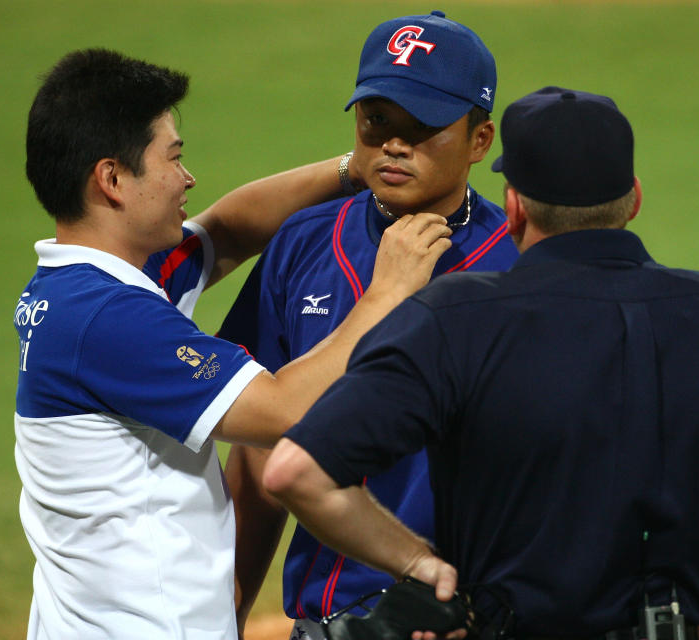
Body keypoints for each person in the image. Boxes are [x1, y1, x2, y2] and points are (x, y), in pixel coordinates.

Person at [262, 86, 699, 640]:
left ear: (513, 206)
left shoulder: (454, 318)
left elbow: (298, 473)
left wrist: (422, 566)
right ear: (635, 199)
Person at [14, 48, 452, 640]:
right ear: (112, 179)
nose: (186, 178)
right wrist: (388, 291)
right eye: (173, 157)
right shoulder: (107, 319)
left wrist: (359, 165)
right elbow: (282, 411)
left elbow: (227, 229)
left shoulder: (87, 282)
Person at [215, 11, 518, 638]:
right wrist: (230, 612)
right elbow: (257, 452)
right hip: (331, 621)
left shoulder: (518, 261)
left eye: (424, 125)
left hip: (475, 617)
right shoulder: (303, 242)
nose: (394, 145)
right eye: (377, 120)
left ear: (480, 140)